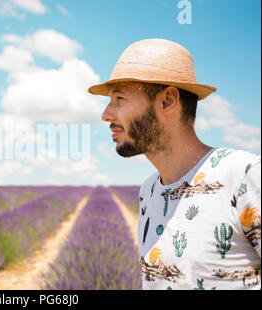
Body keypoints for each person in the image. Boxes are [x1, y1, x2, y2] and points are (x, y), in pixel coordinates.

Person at [88, 38, 261, 290]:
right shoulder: (149, 192)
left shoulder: (245, 175)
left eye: (120, 99)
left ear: (168, 101)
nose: (106, 114)